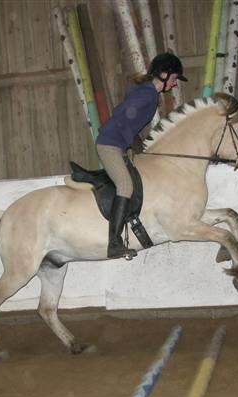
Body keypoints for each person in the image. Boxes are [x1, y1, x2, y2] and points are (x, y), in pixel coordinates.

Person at [96, 52, 187, 259]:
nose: (174, 85)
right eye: (173, 79)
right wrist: (133, 141)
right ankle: (114, 243)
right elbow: (121, 114)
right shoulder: (148, 94)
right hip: (109, 145)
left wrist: (135, 143)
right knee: (125, 186)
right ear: (163, 75)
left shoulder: (147, 92)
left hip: (119, 145)